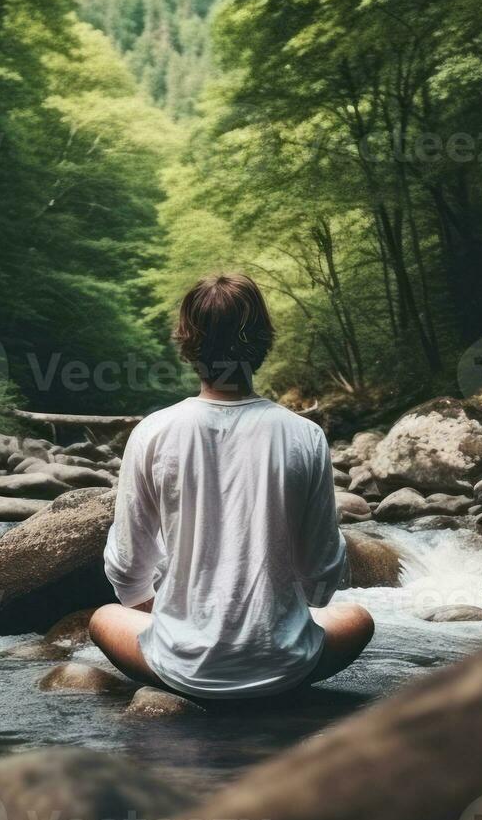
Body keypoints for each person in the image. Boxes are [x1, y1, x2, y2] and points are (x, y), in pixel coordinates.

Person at [89, 273, 374, 699]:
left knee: (103, 617)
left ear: (187, 342)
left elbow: (128, 570)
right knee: (359, 618)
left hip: (180, 669)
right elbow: (321, 581)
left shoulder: (152, 432)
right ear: (262, 341)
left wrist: (176, 616)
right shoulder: (305, 436)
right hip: (283, 667)